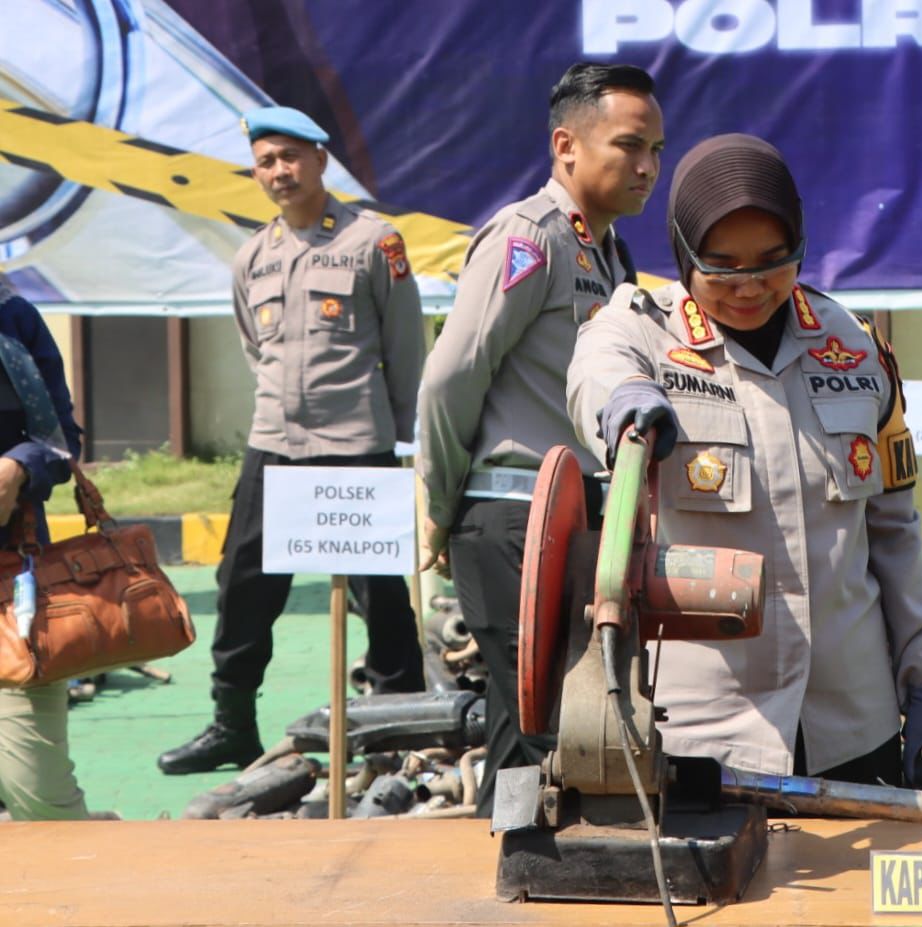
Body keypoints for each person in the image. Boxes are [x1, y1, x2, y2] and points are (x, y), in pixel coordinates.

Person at [566, 134, 922, 789]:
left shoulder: (854, 348)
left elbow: (894, 534)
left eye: (774, 263)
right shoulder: (640, 330)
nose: (749, 287)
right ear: (683, 252)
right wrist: (626, 399)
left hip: (850, 725)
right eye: (721, 267)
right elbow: (596, 372)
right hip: (705, 735)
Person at [416, 63, 663, 815]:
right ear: (566, 146)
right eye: (629, 146)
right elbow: (451, 377)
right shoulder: (530, 236)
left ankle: (500, 856)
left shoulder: (611, 254)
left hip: (570, 525)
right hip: (511, 521)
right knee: (555, 731)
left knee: (518, 735)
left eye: (656, 150)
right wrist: (438, 503)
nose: (647, 167)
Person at [158, 106, 426, 775]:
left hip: (355, 443)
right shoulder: (253, 255)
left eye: (290, 157)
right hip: (274, 445)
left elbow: (405, 347)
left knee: (380, 595)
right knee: (241, 585)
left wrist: (401, 438)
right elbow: (256, 349)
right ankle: (232, 724)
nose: (279, 171)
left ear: (319, 160)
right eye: (266, 161)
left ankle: (403, 726)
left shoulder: (372, 242)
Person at [0, 272, 88, 819]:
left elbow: (60, 442)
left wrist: (18, 469)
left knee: (42, 800)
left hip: (15, 599)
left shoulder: (14, 317)